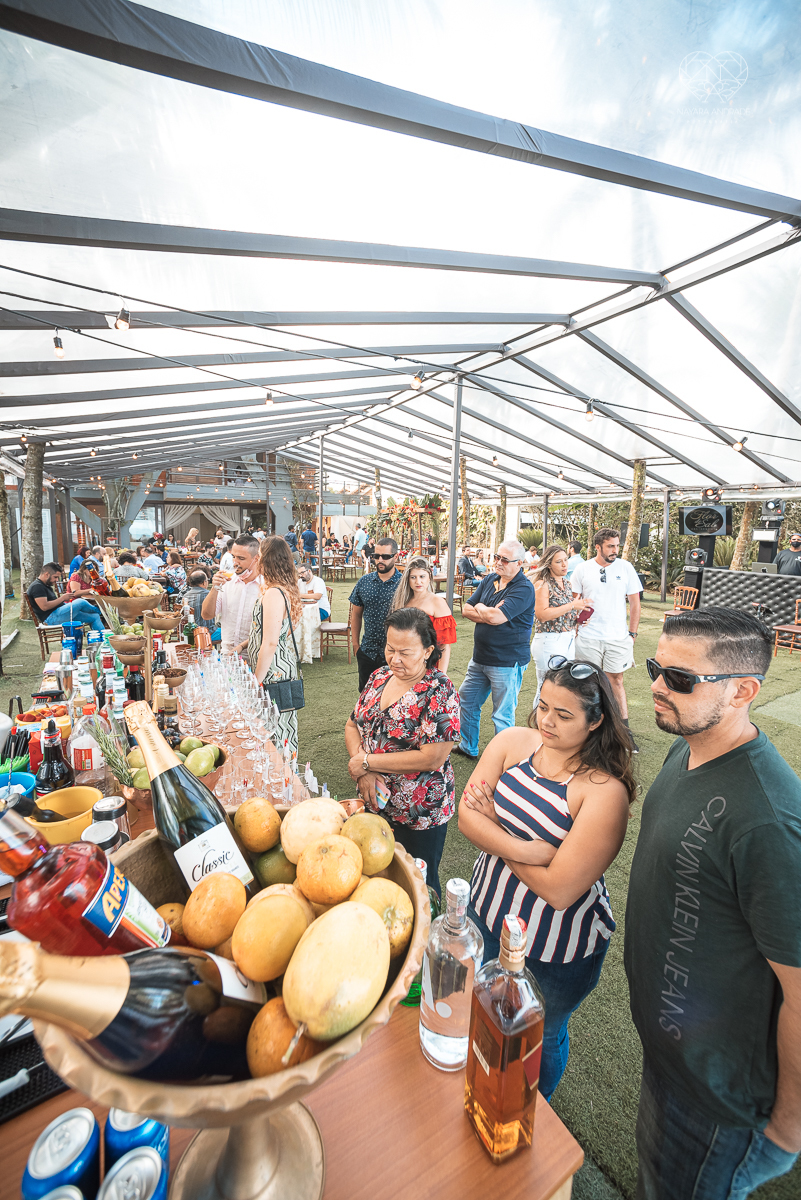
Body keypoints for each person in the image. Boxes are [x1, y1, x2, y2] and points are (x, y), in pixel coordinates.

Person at [625, 608, 801, 1198]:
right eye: (656, 668)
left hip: (717, 1102)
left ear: (744, 691)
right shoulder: (688, 748)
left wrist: (787, 1130)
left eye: (680, 679)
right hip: (673, 1062)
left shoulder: (769, 821)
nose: (655, 686)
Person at [460, 656, 633, 1098]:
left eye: (564, 714)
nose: (547, 721)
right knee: (482, 1010)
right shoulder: (514, 742)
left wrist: (496, 831)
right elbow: (466, 818)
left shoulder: (602, 791)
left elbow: (559, 890)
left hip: (554, 946)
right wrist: (530, 850)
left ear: (595, 722)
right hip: (487, 912)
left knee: (537, 1034)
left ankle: (535, 1106)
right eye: (542, 706)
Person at [345, 607, 460, 896]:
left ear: (427, 650)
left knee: (418, 886)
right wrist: (364, 769)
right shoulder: (380, 677)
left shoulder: (440, 691)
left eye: (405, 652)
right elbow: (352, 724)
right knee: (377, 881)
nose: (394, 659)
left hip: (418, 815)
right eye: (390, 648)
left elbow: (432, 757)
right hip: (375, 803)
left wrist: (368, 763)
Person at [457, 539, 535, 761]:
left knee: (502, 715)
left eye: (504, 559)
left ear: (519, 563)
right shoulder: (490, 579)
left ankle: (503, 760)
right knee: (467, 701)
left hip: (507, 661)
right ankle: (468, 746)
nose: (498, 563)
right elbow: (466, 609)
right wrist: (486, 611)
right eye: (496, 557)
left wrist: (482, 608)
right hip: (480, 658)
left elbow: (496, 617)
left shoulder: (523, 588)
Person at [570, 527, 642, 750]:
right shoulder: (582, 569)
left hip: (618, 637)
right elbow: (574, 602)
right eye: (611, 546)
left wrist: (632, 633)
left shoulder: (626, 567)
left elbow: (635, 603)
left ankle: (624, 733)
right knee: (587, 682)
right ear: (598, 547)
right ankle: (586, 732)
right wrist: (576, 625)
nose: (615, 550)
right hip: (588, 638)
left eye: (617, 546)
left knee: (616, 681)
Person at [248, 536, 303, 755]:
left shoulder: (273, 593)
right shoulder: (282, 589)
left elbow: (270, 642)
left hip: (272, 671)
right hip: (278, 666)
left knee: (274, 731)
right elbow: (273, 632)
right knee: (280, 728)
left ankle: (281, 778)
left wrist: (255, 682)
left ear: (264, 560)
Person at [531, 545, 590, 705]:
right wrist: (572, 606)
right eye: (559, 561)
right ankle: (538, 725)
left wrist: (580, 618)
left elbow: (564, 612)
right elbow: (542, 615)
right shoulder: (542, 584)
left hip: (568, 639)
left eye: (566, 560)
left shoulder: (568, 584)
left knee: (562, 688)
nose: (565, 565)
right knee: (545, 688)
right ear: (549, 564)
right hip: (549, 641)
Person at [349, 538, 403, 690]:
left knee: (394, 700)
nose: (380, 560)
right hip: (367, 652)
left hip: (396, 654)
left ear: (396, 557)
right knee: (365, 700)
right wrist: (355, 645)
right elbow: (356, 615)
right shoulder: (364, 582)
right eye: (376, 556)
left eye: (385, 557)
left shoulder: (405, 584)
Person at [390, 556, 456, 674]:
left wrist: (442, 675)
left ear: (429, 577)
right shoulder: (403, 602)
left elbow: (444, 646)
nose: (418, 582)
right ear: (408, 579)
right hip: (405, 662)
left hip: (429, 663)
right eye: (413, 577)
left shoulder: (437, 602)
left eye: (422, 576)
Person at [201, 534, 261, 655]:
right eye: (233, 556)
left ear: (256, 558)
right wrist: (214, 588)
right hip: (227, 655)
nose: (235, 562)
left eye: (241, 558)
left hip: (256, 656)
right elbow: (207, 615)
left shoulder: (266, 585)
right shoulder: (227, 582)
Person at [27, 563, 105, 633]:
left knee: (94, 617)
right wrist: (62, 598)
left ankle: (104, 640)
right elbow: (44, 607)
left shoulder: (44, 585)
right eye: (55, 577)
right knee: (80, 602)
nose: (57, 580)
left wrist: (64, 601)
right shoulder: (37, 587)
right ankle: (101, 611)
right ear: (46, 574)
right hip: (51, 618)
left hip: (59, 613)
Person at [297, 563, 330, 662]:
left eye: (302, 573)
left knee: (304, 620)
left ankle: (311, 647)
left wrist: (300, 595)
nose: (300, 575)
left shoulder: (318, 581)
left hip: (321, 609)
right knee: (295, 618)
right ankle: (300, 647)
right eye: (299, 573)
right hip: (304, 608)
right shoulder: (300, 582)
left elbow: (317, 596)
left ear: (309, 571)